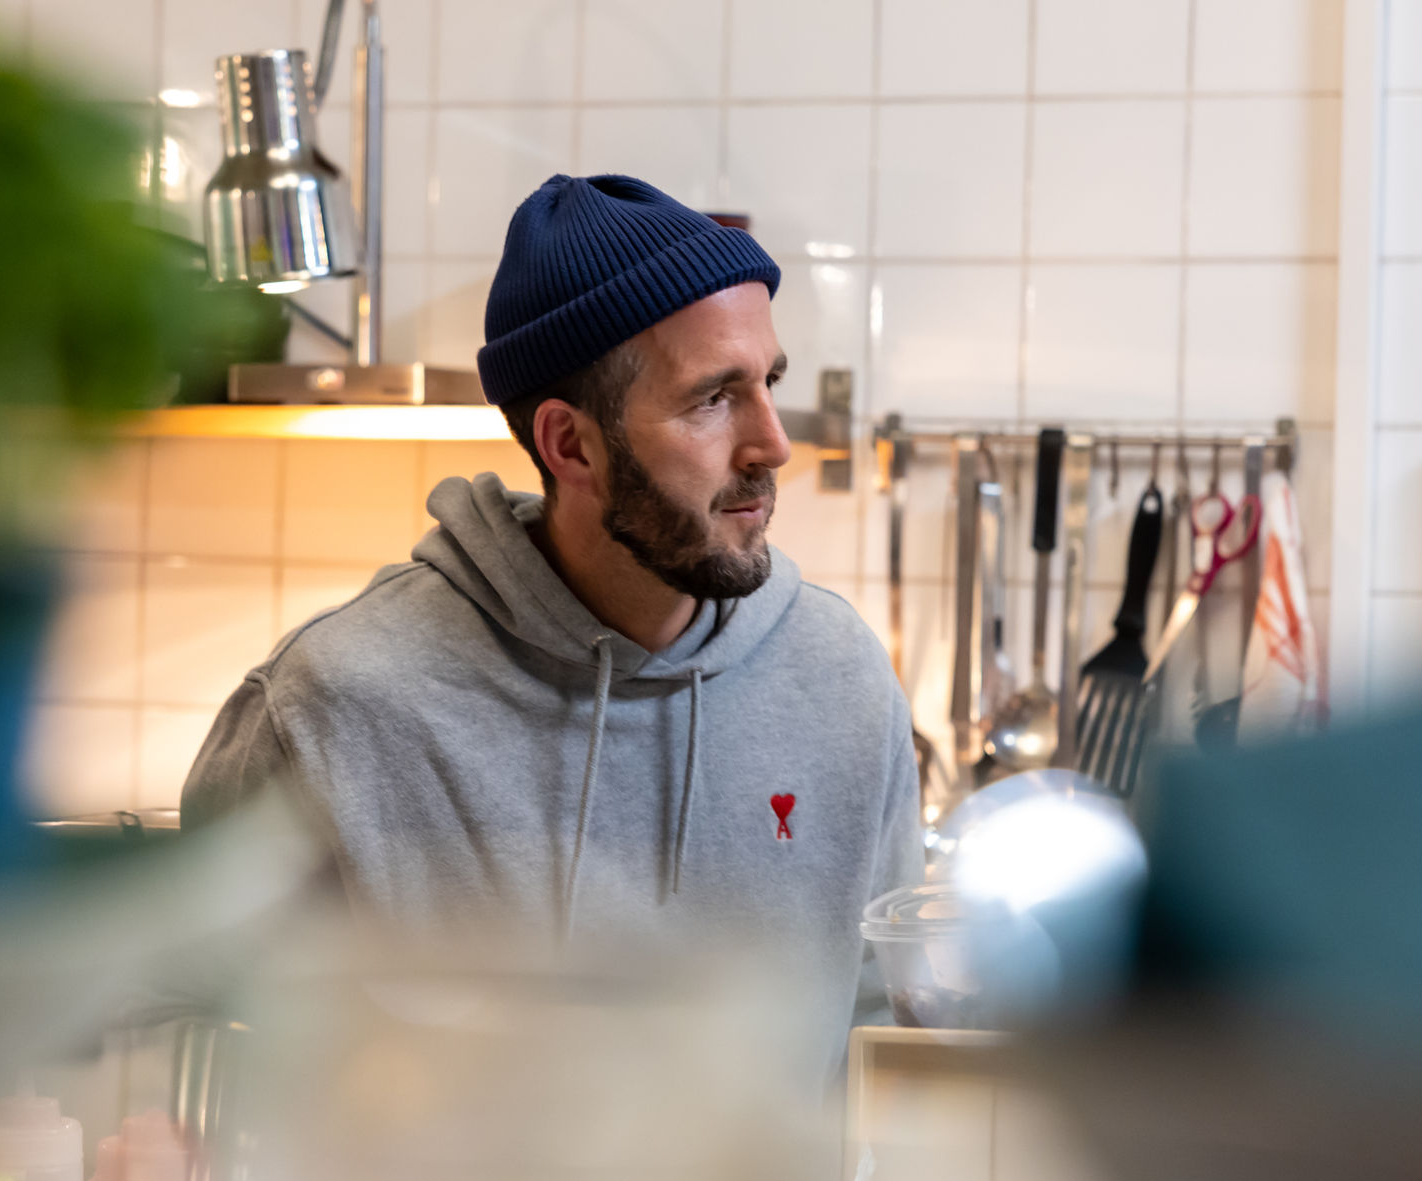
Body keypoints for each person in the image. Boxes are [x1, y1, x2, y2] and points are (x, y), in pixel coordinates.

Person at [183, 174, 922, 1041]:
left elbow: (884, 1031)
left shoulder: (840, 677)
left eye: (769, 382)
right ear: (570, 443)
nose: (774, 443)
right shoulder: (336, 705)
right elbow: (207, 1054)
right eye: (714, 398)